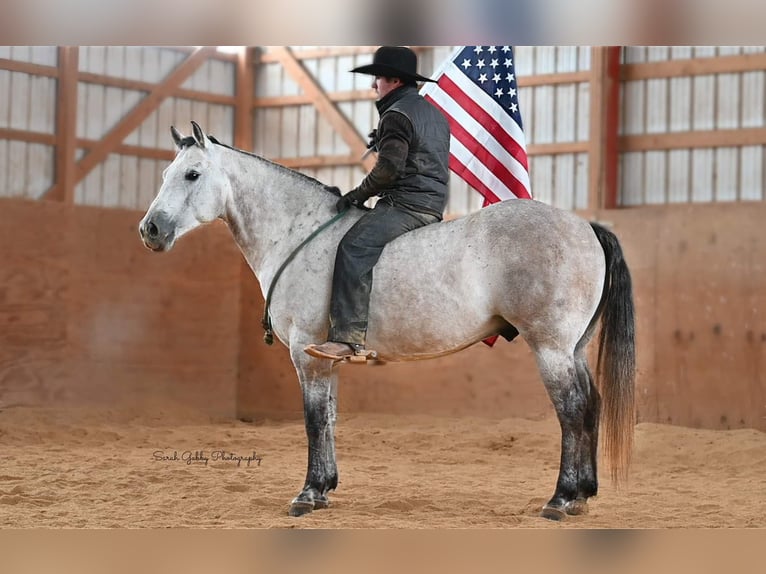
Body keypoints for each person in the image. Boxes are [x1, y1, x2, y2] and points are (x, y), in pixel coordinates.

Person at [304, 46, 451, 361]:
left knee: (354, 248)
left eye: (378, 79)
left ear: (395, 81)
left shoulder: (397, 115)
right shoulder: (433, 113)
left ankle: (346, 338)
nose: (374, 86)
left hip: (406, 204)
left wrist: (357, 195)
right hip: (433, 202)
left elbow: (388, 171)